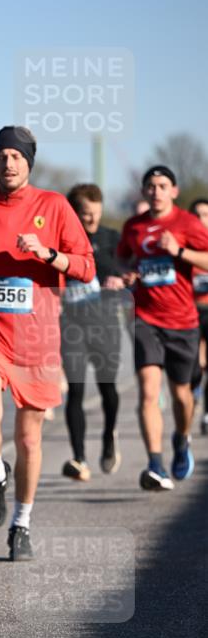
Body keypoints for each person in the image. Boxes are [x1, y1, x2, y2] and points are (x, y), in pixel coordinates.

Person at [0, 126, 95, 561]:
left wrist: (49, 254)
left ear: (29, 161)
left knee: (29, 439)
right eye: (1, 156)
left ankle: (22, 523)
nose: (8, 163)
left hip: (36, 339)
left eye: (16, 156)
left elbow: (86, 267)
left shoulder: (54, 205)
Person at [117, 166, 208, 490]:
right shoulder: (134, 226)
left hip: (183, 321)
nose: (156, 191)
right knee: (148, 390)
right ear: (144, 191)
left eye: (162, 186)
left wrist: (179, 251)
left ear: (174, 191)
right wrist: (127, 273)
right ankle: (155, 464)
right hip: (145, 318)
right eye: (151, 186)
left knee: (182, 396)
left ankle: (181, 439)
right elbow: (124, 259)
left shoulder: (188, 223)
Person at [60, 184, 127, 481]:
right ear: (74, 213)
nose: (92, 220)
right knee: (75, 390)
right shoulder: (61, 241)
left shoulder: (112, 238)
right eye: (86, 214)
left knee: (107, 389)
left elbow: (129, 270)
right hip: (72, 326)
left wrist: (122, 279)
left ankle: (109, 436)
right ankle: (79, 458)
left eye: (97, 213)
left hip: (105, 325)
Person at [188, 198, 208, 434]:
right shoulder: (183, 245)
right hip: (190, 311)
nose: (201, 219)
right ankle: (193, 399)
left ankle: (206, 413)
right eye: (197, 215)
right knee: (194, 367)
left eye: (206, 215)